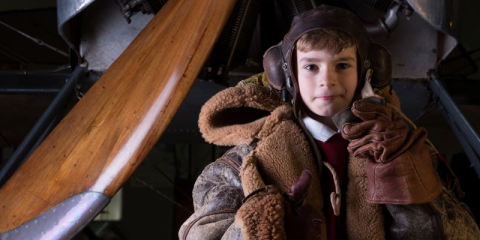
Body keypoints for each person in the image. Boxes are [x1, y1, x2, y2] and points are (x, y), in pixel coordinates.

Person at [179, 5, 480, 240]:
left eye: (343, 65)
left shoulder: (409, 149)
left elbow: (463, 233)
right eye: (311, 66)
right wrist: (265, 224)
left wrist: (399, 171)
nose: (327, 80)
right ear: (289, 75)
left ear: (366, 73)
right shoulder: (244, 163)